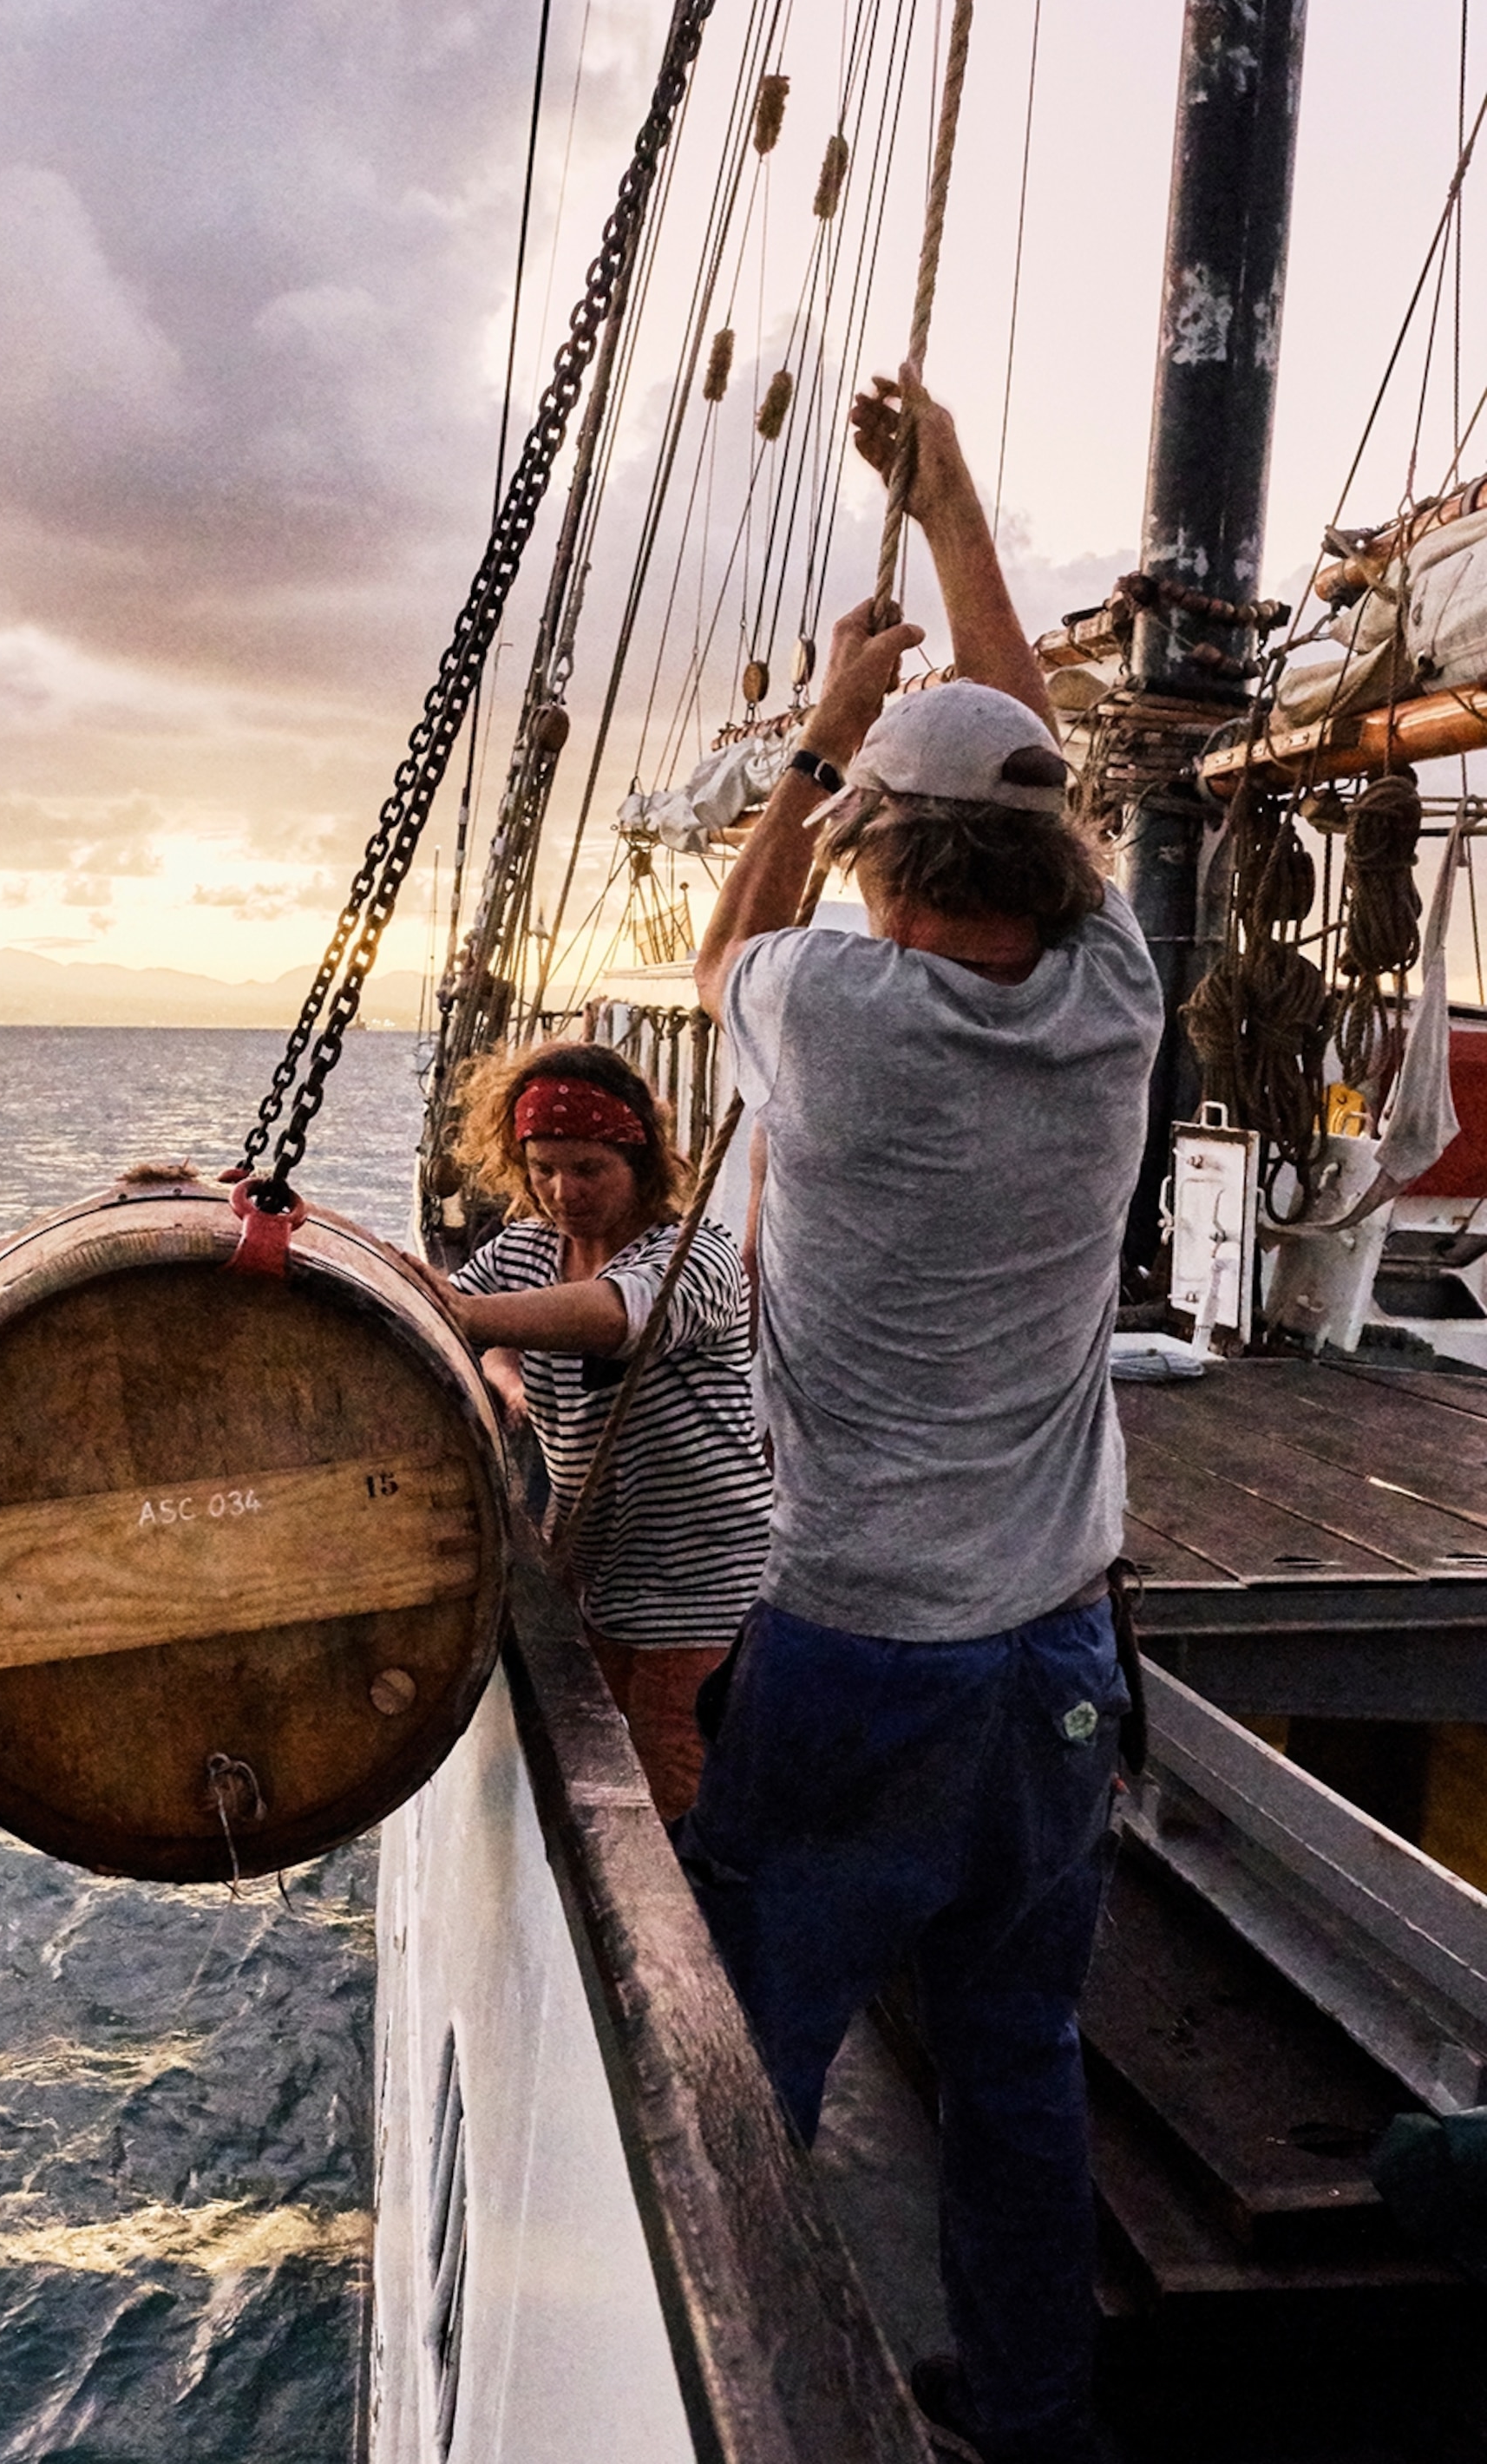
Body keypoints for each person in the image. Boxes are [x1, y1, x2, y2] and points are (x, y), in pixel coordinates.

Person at [678, 364, 1163, 2464]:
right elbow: (1021, 733)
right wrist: (957, 502)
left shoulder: (832, 1010)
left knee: (760, 2042)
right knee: (1017, 2051)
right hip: (1051, 1649)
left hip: (853, 1643)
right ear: (1049, 859)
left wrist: (814, 727)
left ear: (879, 852)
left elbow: (726, 938)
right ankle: (1037, 2428)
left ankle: (762, 2402)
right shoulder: (1109, 1001)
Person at [429, 1039, 770, 1819]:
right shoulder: (526, 1250)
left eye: (588, 1169)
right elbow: (447, 1311)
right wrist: (499, 1365)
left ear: (640, 1162)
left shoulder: (695, 1258)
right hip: (601, 1568)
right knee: (613, 1759)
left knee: (672, 1767)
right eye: (544, 1167)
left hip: (703, 1573)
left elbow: (617, 1316)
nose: (562, 1190)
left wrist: (466, 1316)